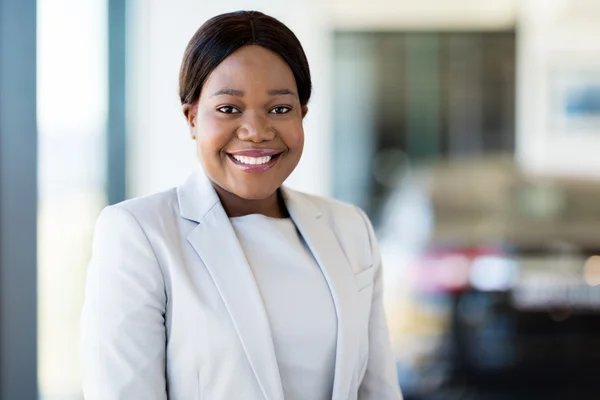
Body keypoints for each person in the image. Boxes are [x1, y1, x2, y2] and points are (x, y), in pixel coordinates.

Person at [80, 10, 402, 400]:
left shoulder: (350, 228)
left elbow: (378, 391)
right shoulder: (139, 233)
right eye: (229, 109)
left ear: (303, 114)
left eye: (280, 109)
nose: (256, 131)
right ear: (193, 117)